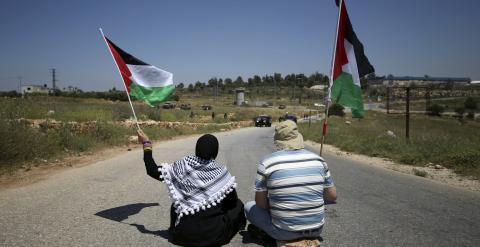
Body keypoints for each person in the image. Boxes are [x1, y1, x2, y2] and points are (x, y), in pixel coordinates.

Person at [138, 130, 246, 246]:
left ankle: (174, 227)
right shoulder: (222, 174)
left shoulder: (181, 167)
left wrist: (146, 143)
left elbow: (152, 169)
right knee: (238, 205)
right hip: (214, 237)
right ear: (215, 152)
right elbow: (232, 202)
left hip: (182, 237)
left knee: (178, 201)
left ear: (197, 149)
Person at [244, 120, 337, 245]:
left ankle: (279, 237)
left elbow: (260, 204)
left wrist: (278, 208)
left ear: (278, 141)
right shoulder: (319, 160)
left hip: (284, 232)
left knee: (249, 207)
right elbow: (332, 196)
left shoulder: (267, 162)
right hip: (316, 230)